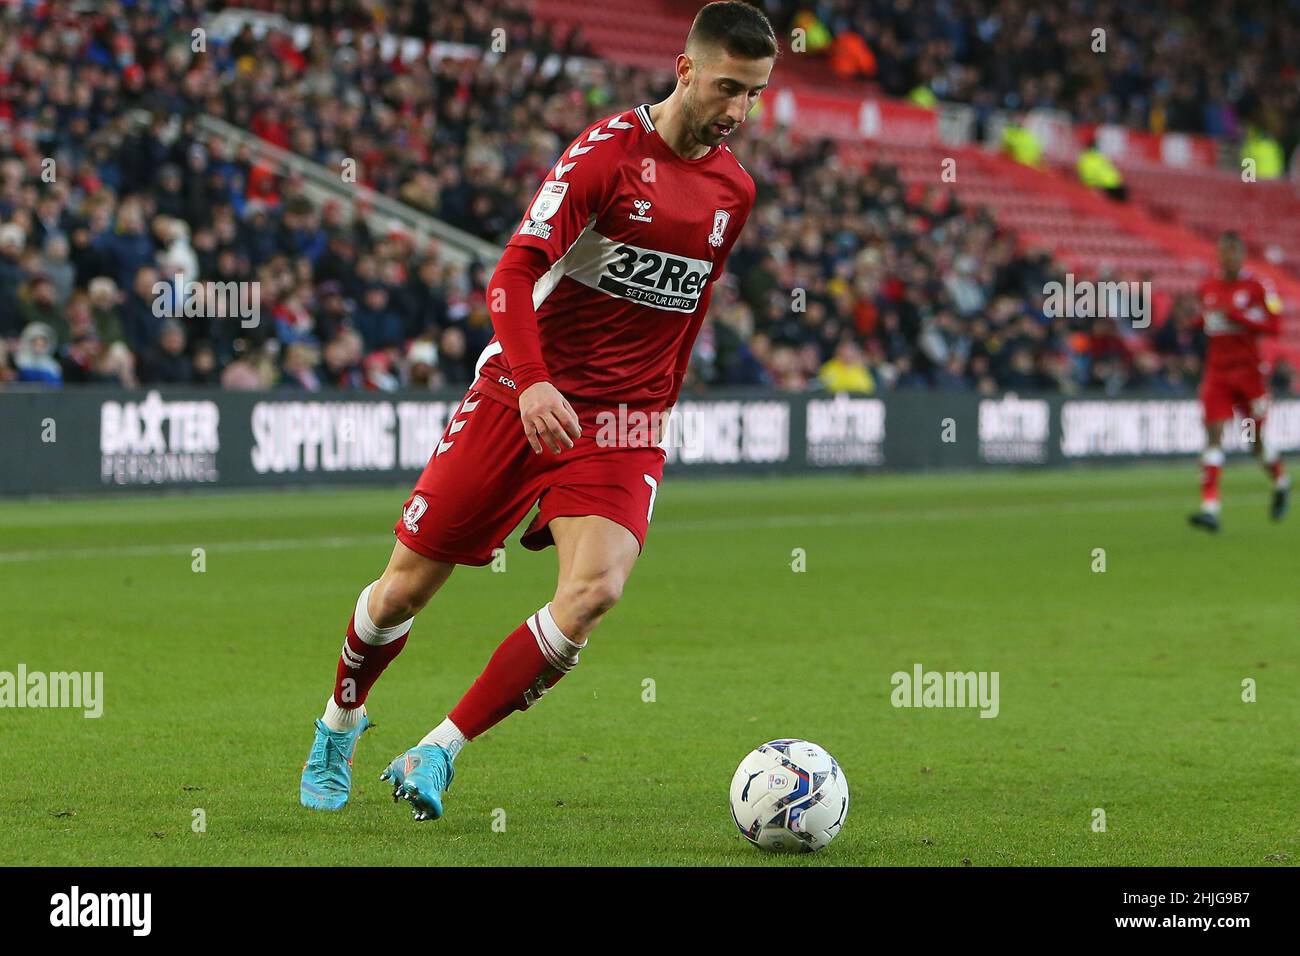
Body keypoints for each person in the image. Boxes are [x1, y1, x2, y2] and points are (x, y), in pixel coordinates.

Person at [299, 0, 773, 821]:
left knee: (594, 592)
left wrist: (655, 413)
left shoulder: (735, 190)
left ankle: (437, 750)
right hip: (523, 396)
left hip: (622, 425)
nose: (739, 111)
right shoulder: (606, 157)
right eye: (728, 87)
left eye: (756, 94)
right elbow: (510, 276)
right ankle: (341, 719)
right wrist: (534, 379)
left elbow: (688, 311)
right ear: (685, 69)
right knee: (402, 592)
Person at [1188, 232, 1288, 532]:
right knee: (1214, 433)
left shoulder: (1258, 287)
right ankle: (1210, 508)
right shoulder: (1207, 287)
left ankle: (1281, 481)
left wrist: (1238, 317)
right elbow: (1206, 321)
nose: (1227, 258)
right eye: (1223, 252)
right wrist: (1197, 323)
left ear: (1241, 255)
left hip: (1249, 376)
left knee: (1254, 442)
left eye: (1232, 252)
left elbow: (1274, 326)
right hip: (1217, 374)